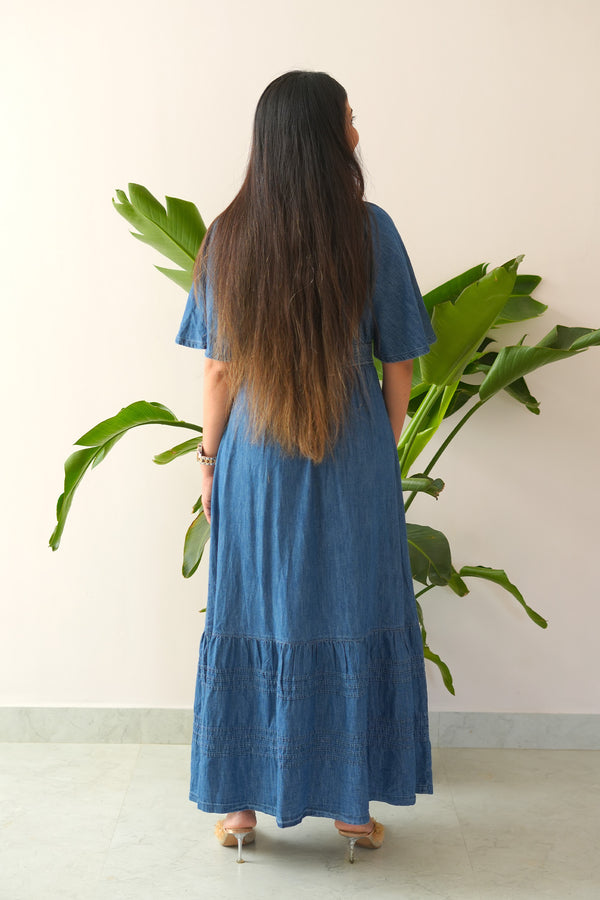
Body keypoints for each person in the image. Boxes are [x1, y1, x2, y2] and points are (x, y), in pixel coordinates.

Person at [175, 70, 435, 864]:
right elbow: (401, 367)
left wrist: (212, 460)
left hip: (257, 456)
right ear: (324, 134)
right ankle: (353, 814)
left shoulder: (229, 235)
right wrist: (377, 452)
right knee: (351, 608)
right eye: (349, 118)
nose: (357, 131)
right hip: (349, 449)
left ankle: (241, 810)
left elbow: (220, 372)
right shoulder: (371, 229)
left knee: (252, 609)